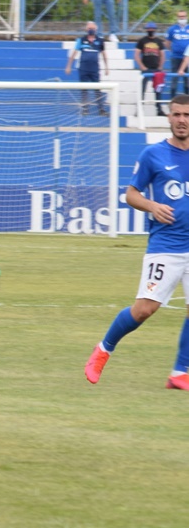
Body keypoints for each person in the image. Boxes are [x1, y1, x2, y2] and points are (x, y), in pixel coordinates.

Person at [85, 94, 189, 389]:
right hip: (166, 246)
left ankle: (180, 372)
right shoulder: (153, 154)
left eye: (187, 115)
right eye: (177, 114)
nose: (182, 120)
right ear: (169, 117)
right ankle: (104, 349)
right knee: (144, 309)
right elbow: (131, 194)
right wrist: (152, 206)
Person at [67, 20, 108, 115]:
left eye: (93, 28)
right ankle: (85, 109)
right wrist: (68, 66)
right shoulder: (81, 40)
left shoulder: (100, 40)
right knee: (84, 89)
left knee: (97, 89)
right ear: (86, 29)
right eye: (89, 28)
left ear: (96, 29)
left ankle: (101, 109)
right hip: (83, 68)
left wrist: (107, 67)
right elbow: (74, 53)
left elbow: (104, 54)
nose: (91, 30)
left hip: (94, 69)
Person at [136, 23, 167, 116]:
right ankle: (139, 109)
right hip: (146, 69)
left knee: (158, 90)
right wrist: (142, 66)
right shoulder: (142, 41)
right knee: (142, 89)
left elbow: (162, 55)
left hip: (156, 69)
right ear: (146, 30)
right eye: (148, 29)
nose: (150, 30)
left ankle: (159, 109)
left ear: (155, 29)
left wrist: (160, 67)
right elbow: (136, 55)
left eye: (152, 29)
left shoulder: (159, 41)